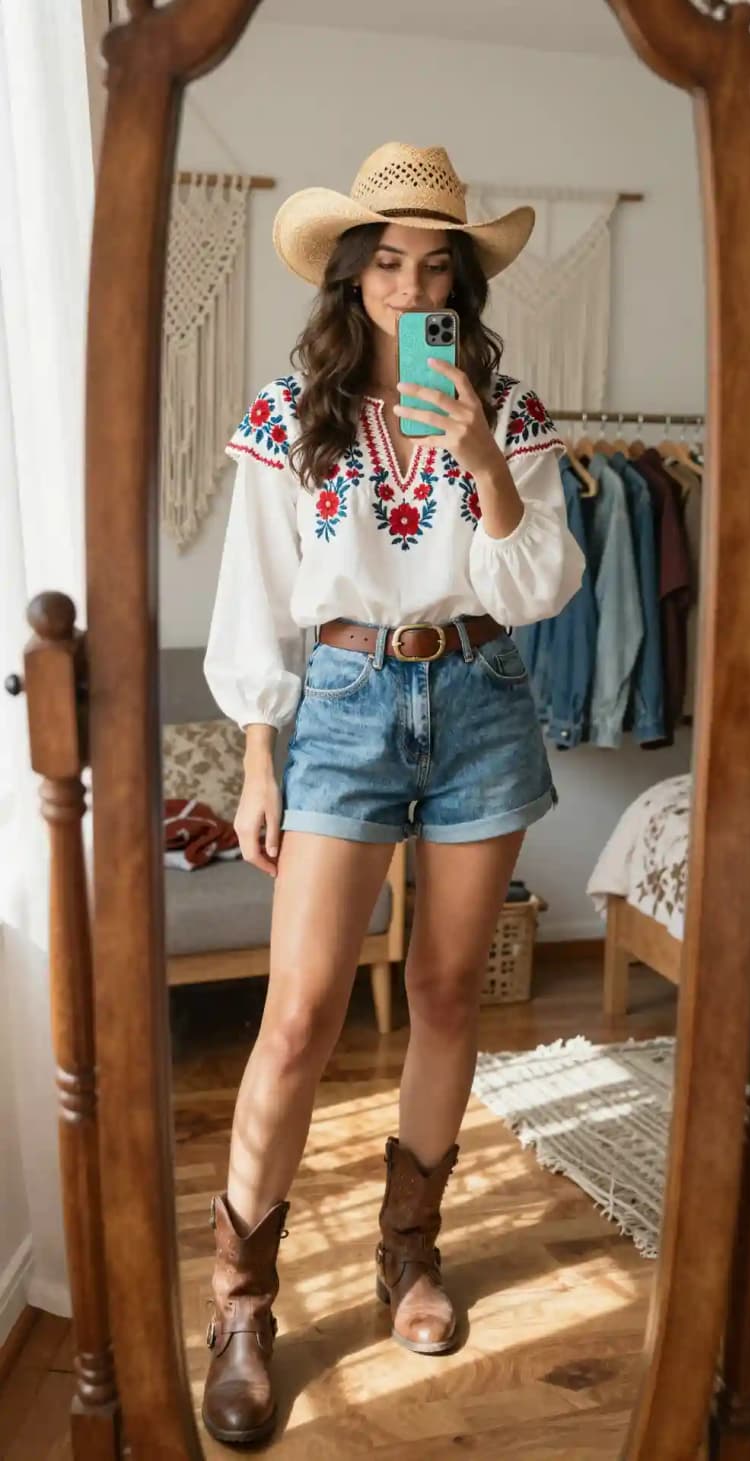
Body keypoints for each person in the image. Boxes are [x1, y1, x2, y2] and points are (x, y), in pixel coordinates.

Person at [200, 140, 585, 1445]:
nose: (411, 286)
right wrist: (260, 749)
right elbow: (251, 596)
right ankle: (242, 1295)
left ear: (462, 282)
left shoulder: (508, 407)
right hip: (347, 710)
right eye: (388, 261)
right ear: (352, 272)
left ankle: (408, 1250)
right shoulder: (284, 412)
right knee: (300, 1012)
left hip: (480, 698)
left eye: (437, 265)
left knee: (439, 990)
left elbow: (542, 587)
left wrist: (480, 456)